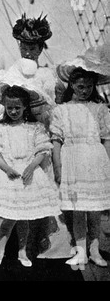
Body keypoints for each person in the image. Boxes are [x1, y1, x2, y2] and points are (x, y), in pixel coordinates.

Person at [0, 82, 60, 267]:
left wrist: (32, 166)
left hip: (28, 175)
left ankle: (22, 251)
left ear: (25, 107)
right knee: (10, 217)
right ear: (5, 107)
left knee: (24, 217)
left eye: (17, 107)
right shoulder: (0, 127)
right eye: (10, 108)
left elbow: (43, 150)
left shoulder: (35, 127)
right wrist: (6, 168)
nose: (14, 111)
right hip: (9, 174)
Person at [51, 45, 110, 267]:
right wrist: (58, 168)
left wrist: (108, 164)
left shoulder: (100, 109)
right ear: (72, 85)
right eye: (79, 85)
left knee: (94, 210)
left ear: (94, 86)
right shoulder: (62, 110)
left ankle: (95, 251)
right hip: (72, 161)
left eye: (88, 86)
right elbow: (56, 142)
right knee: (77, 210)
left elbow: (107, 138)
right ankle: (80, 251)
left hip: (95, 160)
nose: (84, 90)